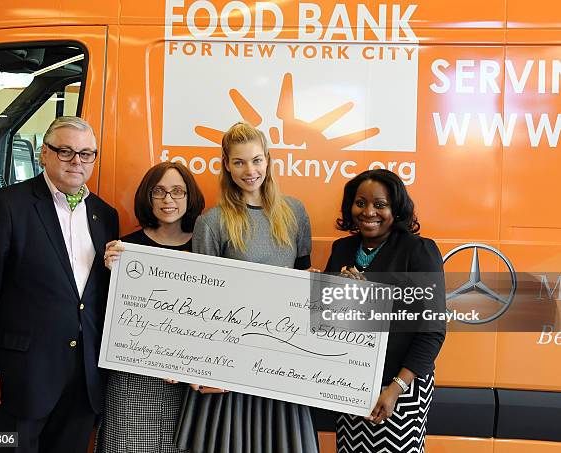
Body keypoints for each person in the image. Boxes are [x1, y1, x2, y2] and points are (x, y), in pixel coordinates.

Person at [0, 117, 119, 453]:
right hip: (13, 384)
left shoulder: (104, 215)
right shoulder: (3, 207)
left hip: (79, 387)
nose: (77, 161)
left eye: (87, 154)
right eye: (66, 151)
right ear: (44, 153)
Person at [174, 122, 318, 453]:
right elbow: (200, 302)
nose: (249, 170)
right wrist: (203, 366)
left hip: (282, 358)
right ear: (226, 164)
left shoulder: (294, 212)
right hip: (230, 363)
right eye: (239, 162)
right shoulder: (212, 221)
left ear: (268, 160)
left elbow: (301, 280)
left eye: (256, 160)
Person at [324, 169, 446, 453]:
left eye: (380, 205)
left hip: (400, 387)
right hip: (350, 383)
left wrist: (394, 390)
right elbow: (324, 322)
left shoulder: (418, 251)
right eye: (360, 202)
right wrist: (341, 296)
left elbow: (432, 332)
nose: (369, 212)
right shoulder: (342, 249)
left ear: (397, 208)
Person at [96, 161, 205, 453]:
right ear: (147, 196)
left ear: (189, 196)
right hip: (133, 384)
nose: (168, 200)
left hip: (190, 385)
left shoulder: (206, 248)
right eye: (159, 191)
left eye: (177, 191)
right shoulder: (124, 249)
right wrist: (110, 271)